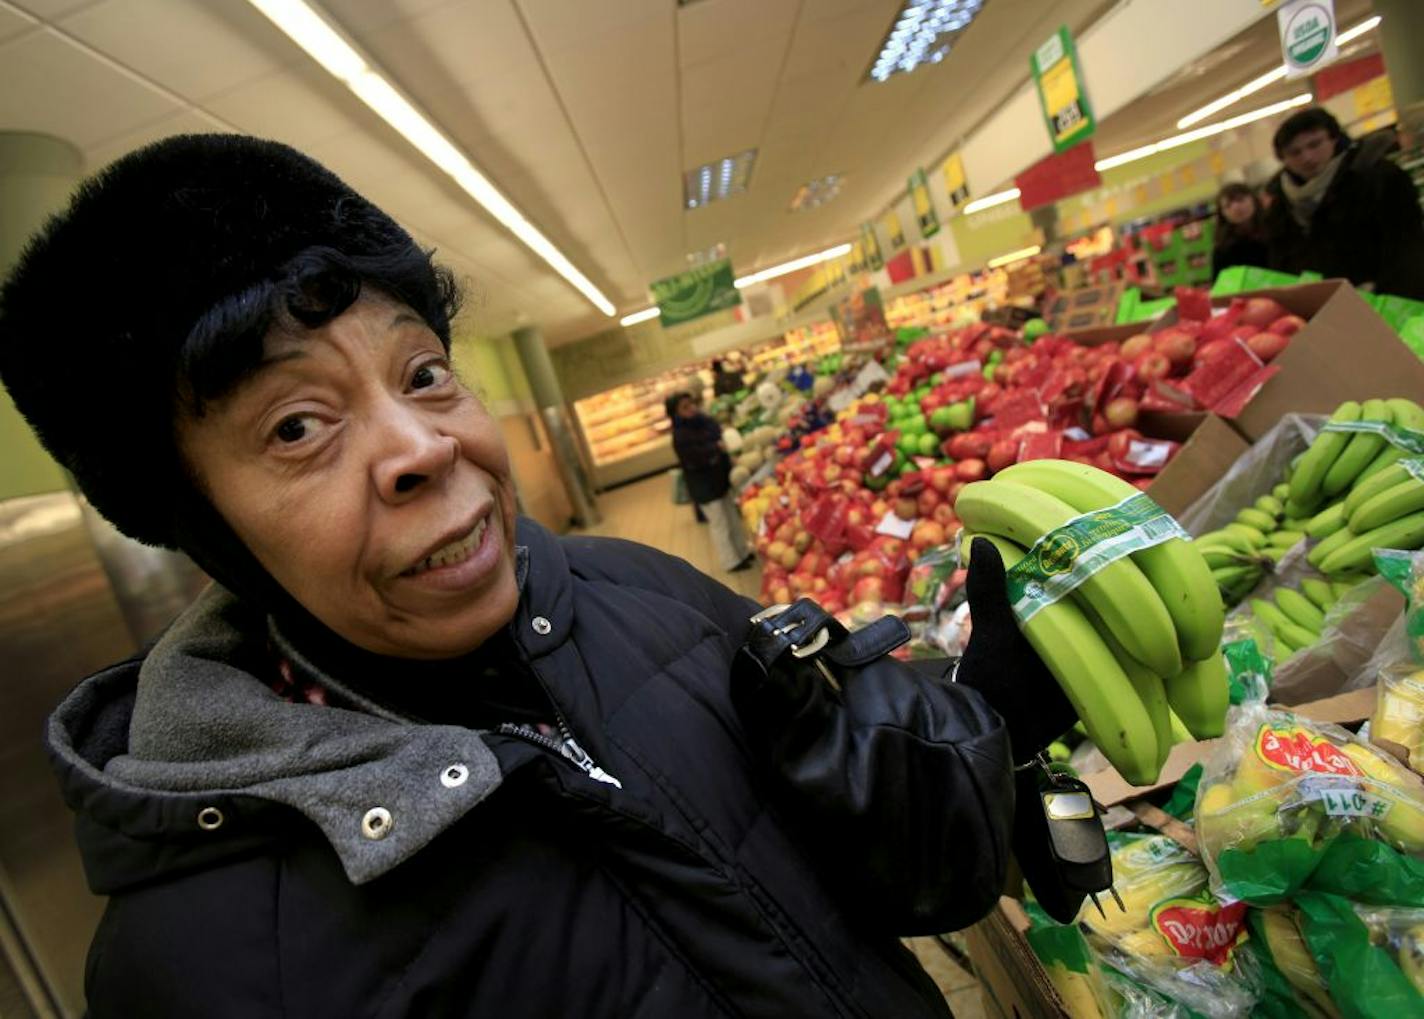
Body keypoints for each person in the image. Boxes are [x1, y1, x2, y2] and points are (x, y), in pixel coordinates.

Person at [0, 135, 1074, 1018]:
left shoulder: (642, 593)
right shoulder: (203, 969)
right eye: (296, 425)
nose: (422, 442)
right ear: (205, 531)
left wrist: (988, 713)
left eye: (422, 371)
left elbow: (901, 872)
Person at [1262, 106, 1424, 298]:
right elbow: (1281, 266)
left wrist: (1387, 294)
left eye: (1315, 144)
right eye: (1295, 152)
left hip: (1387, 301)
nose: (1307, 157)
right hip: (1324, 311)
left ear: (1334, 139)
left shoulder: (1379, 178)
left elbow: (1407, 247)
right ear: (1284, 159)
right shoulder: (1280, 205)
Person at [667, 389, 753, 572]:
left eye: (691, 403)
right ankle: (731, 561)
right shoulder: (680, 434)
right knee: (720, 524)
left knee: (732, 517)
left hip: (719, 479)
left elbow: (716, 433)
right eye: (684, 407)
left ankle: (743, 551)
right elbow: (694, 458)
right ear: (676, 413)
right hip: (704, 486)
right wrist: (715, 448)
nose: (691, 408)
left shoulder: (703, 421)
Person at [1210, 182, 1269, 279]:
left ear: (1253, 200)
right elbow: (1220, 284)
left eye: (1240, 200)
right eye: (1228, 206)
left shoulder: (1275, 230)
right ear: (1223, 214)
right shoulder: (1223, 248)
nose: (1236, 208)